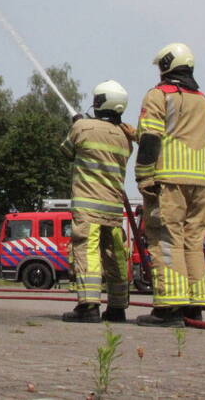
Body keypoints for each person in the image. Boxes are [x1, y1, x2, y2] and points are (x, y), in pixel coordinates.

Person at [134, 43, 205, 327]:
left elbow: (151, 138)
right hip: (200, 183)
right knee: (193, 241)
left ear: (166, 65)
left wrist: (143, 175)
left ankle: (169, 308)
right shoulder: (202, 99)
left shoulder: (158, 95)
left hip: (169, 180)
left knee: (167, 240)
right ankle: (195, 305)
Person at [59, 80, 136, 323]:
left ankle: (89, 307)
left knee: (87, 252)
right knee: (115, 256)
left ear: (99, 102)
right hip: (113, 209)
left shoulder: (82, 127)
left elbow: (65, 151)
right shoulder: (125, 138)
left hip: (88, 207)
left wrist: (78, 124)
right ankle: (117, 307)